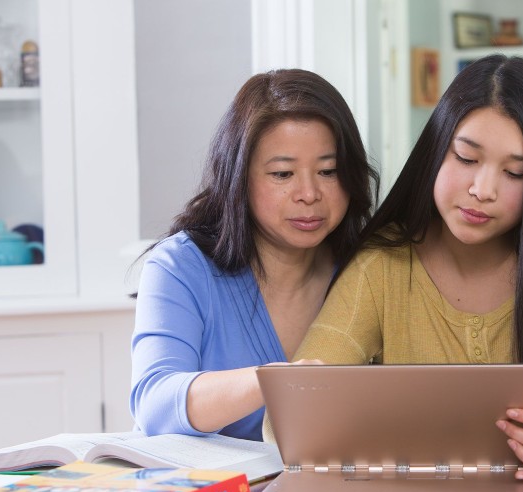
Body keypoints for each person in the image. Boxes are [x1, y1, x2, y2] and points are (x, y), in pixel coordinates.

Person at [282, 55, 523, 480]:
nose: (482, 190)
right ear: (435, 151)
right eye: (467, 159)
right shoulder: (381, 266)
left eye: (515, 172)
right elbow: (288, 418)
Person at [130, 68, 379, 441]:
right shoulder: (179, 267)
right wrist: (273, 381)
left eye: (328, 171)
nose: (309, 193)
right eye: (282, 174)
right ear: (238, 177)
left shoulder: (367, 270)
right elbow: (156, 405)